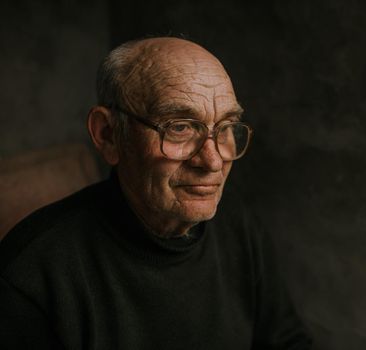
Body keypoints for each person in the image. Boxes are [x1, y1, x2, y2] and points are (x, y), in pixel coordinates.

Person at [0, 37, 312, 349]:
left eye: (226, 126)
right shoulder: (30, 275)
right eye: (180, 127)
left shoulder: (237, 225)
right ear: (108, 135)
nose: (214, 161)